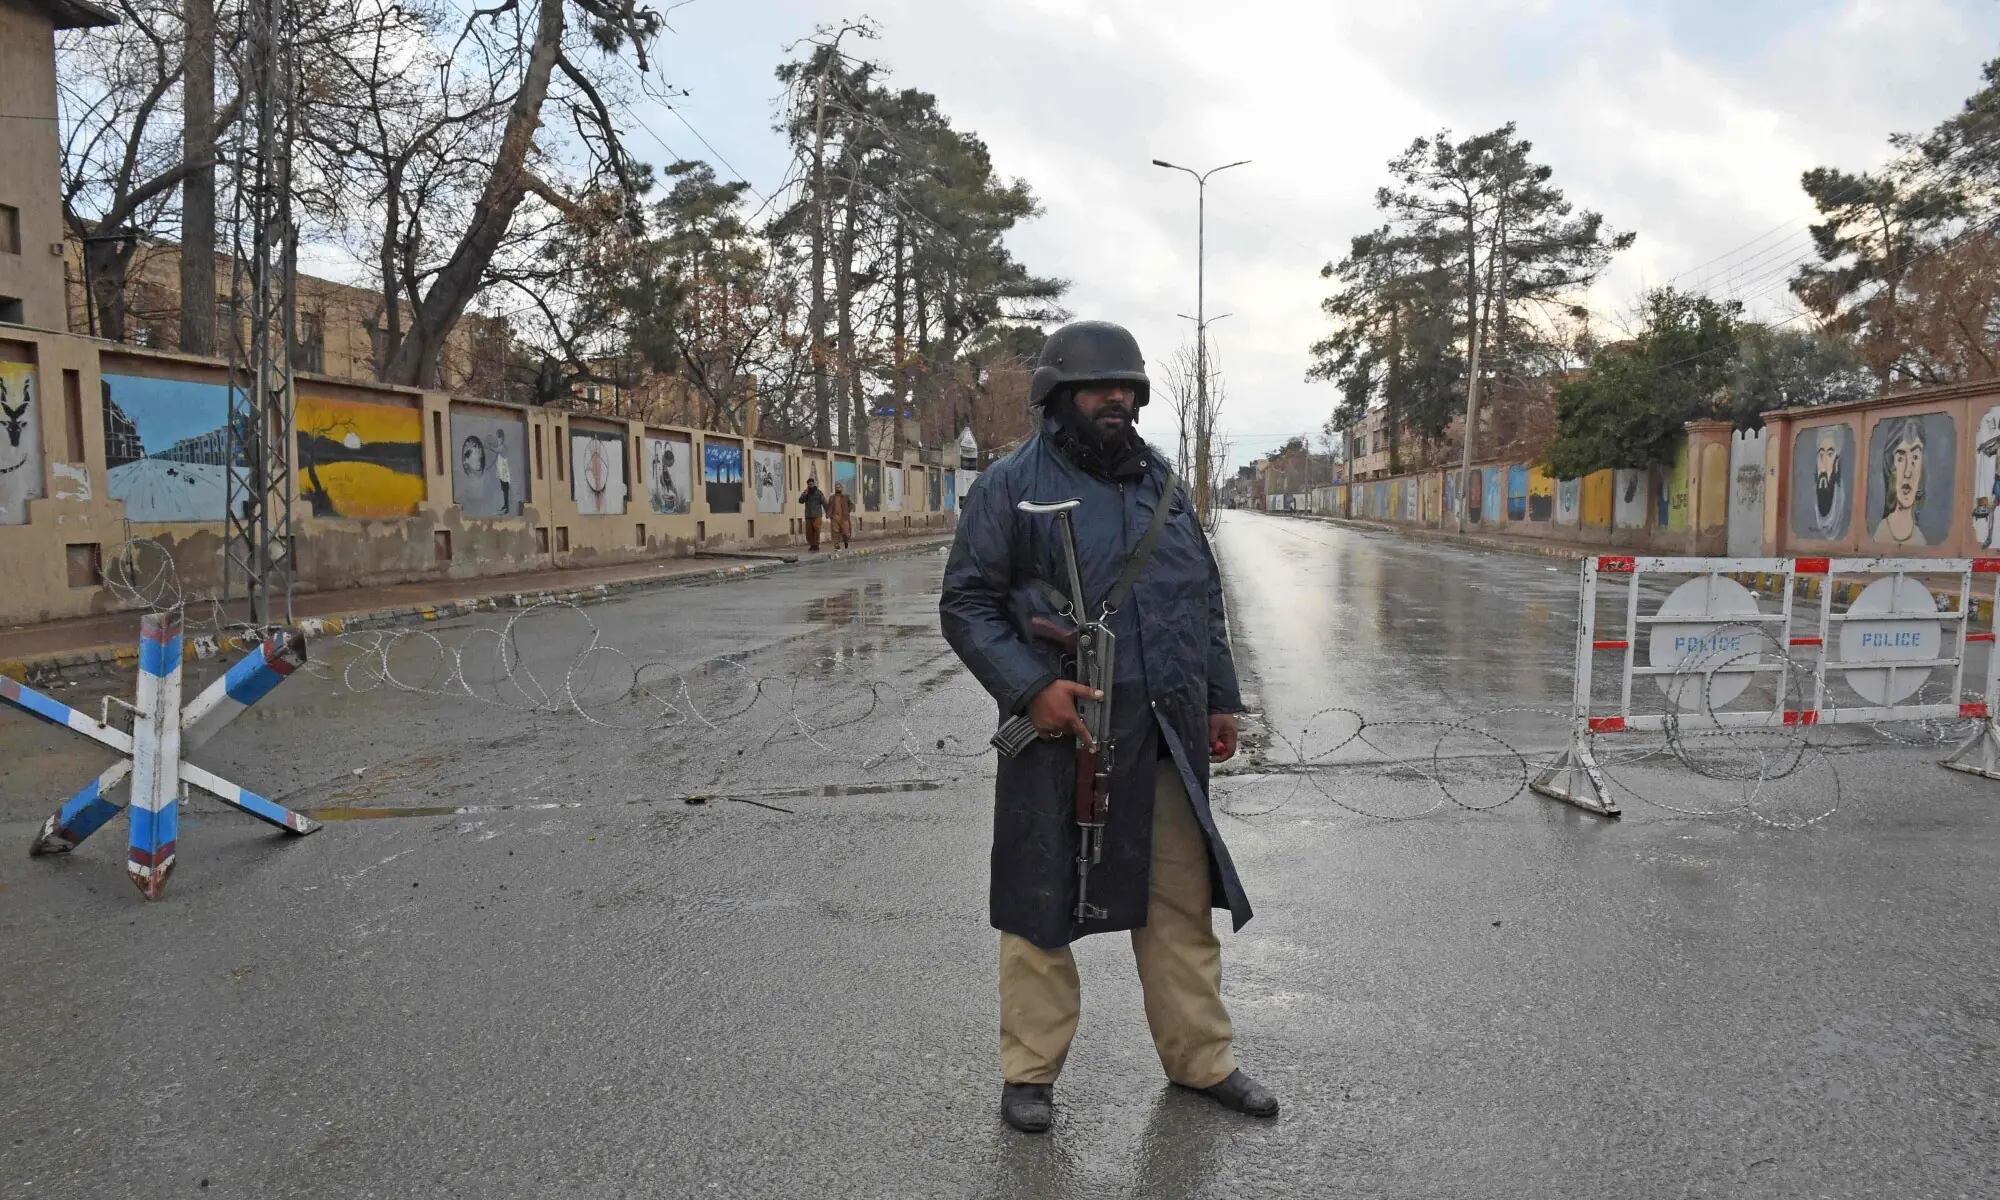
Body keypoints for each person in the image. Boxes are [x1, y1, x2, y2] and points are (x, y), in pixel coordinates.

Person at [939, 319, 1275, 1135]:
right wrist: (1030, 690)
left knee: (1180, 907)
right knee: (1039, 906)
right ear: (1058, 396)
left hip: (1163, 734)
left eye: (1126, 387)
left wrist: (1218, 699)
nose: (1116, 399)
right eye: (1099, 388)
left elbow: (1202, 596)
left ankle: (1202, 1060)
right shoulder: (1010, 485)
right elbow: (967, 605)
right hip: (1063, 735)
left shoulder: (1163, 484)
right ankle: (1030, 1072)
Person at [799, 475, 827, 551]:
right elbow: (800, 501)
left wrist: (828, 512)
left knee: (816, 529)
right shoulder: (806, 493)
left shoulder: (819, 493)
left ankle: (816, 544)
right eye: (809, 484)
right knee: (809, 532)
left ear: (814, 484)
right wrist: (805, 493)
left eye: (811, 484)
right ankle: (812, 545)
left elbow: (824, 502)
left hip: (817, 515)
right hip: (808, 515)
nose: (810, 485)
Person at [829, 482, 854, 550]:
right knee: (835, 533)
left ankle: (846, 542)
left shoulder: (846, 496)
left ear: (841, 488)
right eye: (836, 487)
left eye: (839, 487)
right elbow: (829, 506)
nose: (837, 488)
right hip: (834, 517)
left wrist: (847, 511)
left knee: (845, 533)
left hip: (844, 518)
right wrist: (829, 514)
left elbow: (851, 504)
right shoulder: (832, 498)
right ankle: (837, 546)